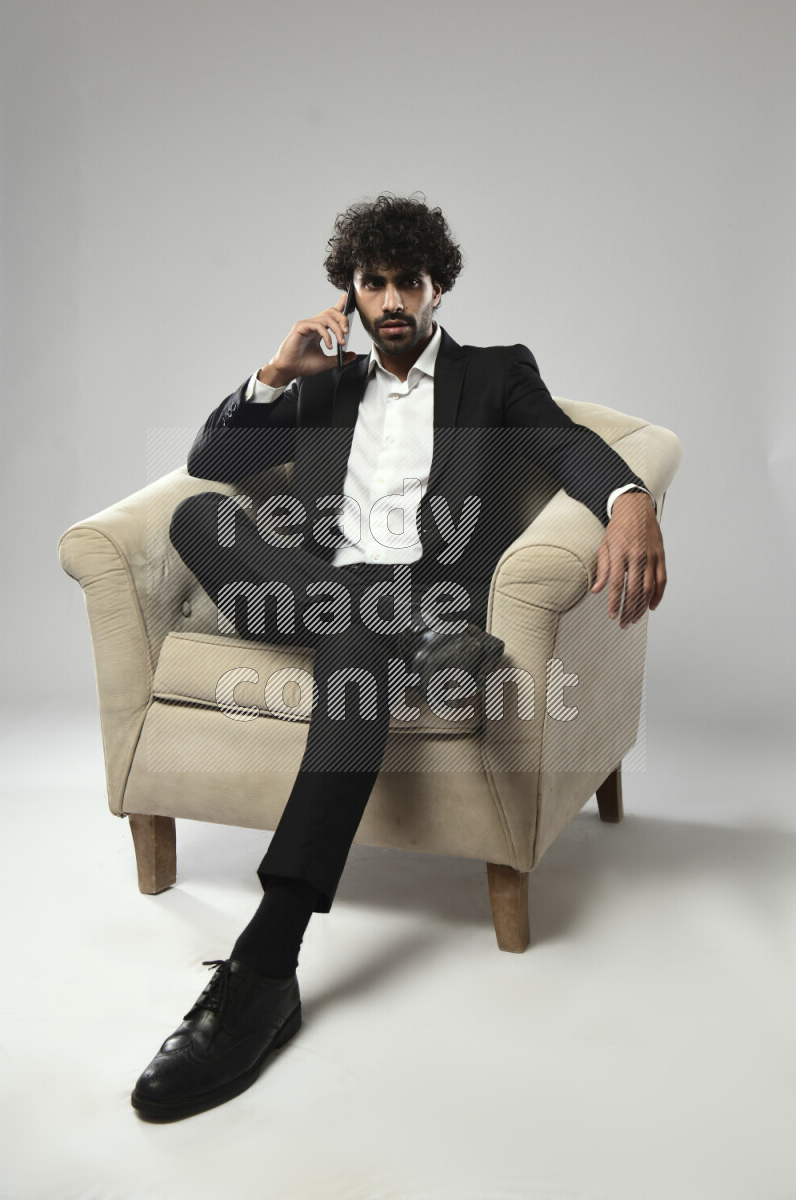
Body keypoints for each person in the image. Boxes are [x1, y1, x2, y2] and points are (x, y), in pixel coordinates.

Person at [131, 193, 667, 1121]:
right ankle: (406, 639)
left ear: (437, 288)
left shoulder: (496, 374)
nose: (390, 300)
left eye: (406, 283)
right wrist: (273, 371)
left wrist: (627, 498)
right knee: (197, 516)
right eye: (371, 282)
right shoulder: (326, 382)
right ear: (350, 290)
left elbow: (566, 444)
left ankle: (264, 967)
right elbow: (212, 456)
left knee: (355, 650)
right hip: (323, 584)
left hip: (428, 594)